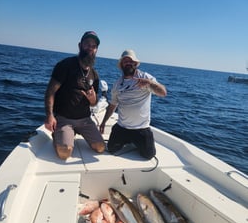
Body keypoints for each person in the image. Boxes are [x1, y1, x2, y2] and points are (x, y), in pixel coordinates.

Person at [44, 31, 105, 160]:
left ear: (96, 50)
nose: (90, 48)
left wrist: (93, 99)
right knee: (64, 153)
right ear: (80, 46)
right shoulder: (65, 65)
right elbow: (50, 92)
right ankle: (59, 135)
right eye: (87, 44)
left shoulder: (95, 75)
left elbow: (94, 103)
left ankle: (74, 133)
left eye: (93, 46)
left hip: (85, 120)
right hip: (64, 119)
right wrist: (50, 116)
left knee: (100, 148)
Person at [100, 50, 167, 160]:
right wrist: (103, 122)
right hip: (122, 127)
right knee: (111, 149)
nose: (128, 63)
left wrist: (150, 83)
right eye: (125, 61)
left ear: (135, 64)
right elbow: (112, 105)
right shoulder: (117, 84)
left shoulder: (145, 77)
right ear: (121, 65)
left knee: (149, 155)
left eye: (131, 61)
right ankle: (127, 139)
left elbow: (163, 92)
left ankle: (135, 141)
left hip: (141, 128)